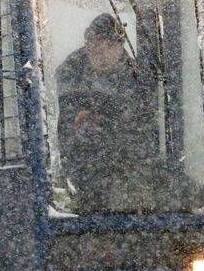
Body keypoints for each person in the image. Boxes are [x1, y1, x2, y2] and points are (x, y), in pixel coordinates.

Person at [55, 14, 159, 211]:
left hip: (129, 170)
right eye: (96, 47)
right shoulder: (68, 77)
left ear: (121, 47)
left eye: (110, 47)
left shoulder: (138, 80)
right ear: (86, 46)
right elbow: (61, 131)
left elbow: (146, 134)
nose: (102, 54)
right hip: (82, 174)